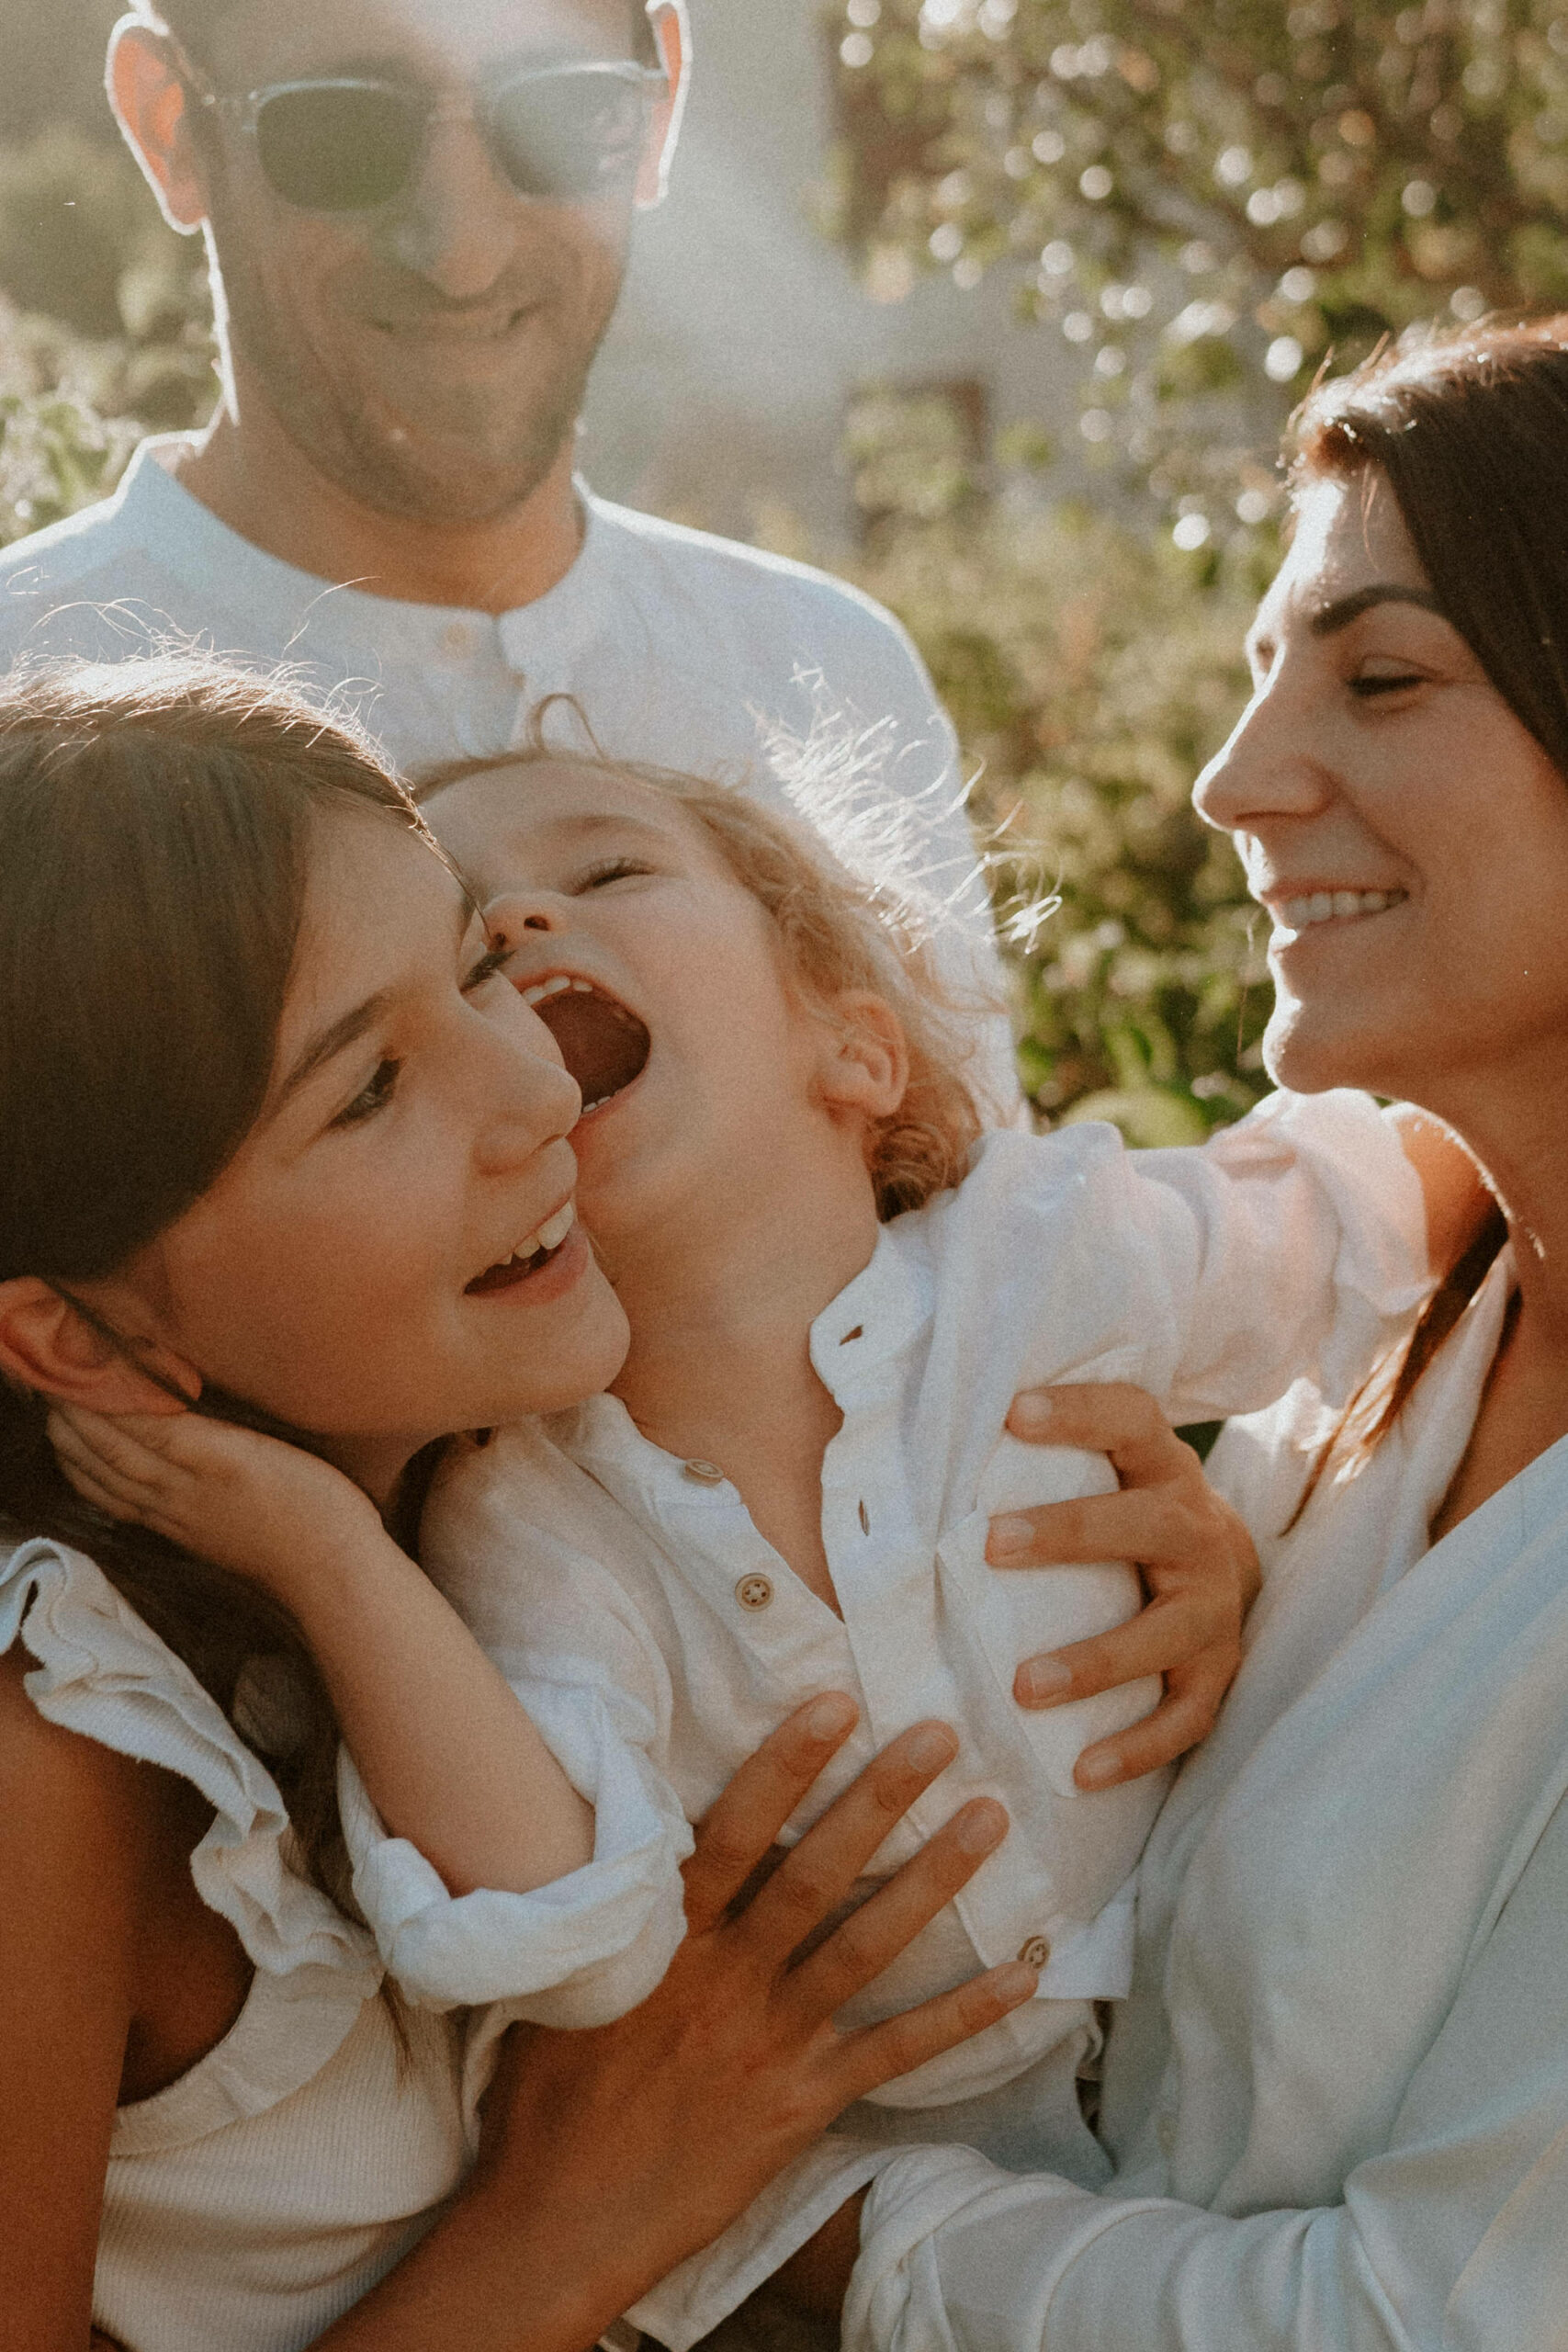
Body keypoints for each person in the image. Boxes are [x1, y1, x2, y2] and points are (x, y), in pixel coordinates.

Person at [63, 717, 1470, 2347]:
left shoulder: (1046, 1256)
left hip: (1224, 2084)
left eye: (607, 869)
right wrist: (334, 1556)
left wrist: (1249, 1549)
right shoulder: (526, 1518)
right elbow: (565, 1934)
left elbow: (1395, 1201)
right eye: (471, 953)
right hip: (829, 2247)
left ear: (853, 1047)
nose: (519, 923)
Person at [0, 656, 1043, 2352]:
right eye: (368, 1090)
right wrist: (568, 2229)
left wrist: (1141, 1532)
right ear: (77, 1334)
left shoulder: (497, 1487)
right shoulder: (47, 1758)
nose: (540, 1091)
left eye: (476, 967)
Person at [758, 316, 1568, 2347]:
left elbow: (1427, 2323)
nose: (1233, 780)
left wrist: (811, 2221)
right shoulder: (1385, 1328)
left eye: (1381, 677)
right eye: (1262, 670)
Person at [0, 0, 1013, 1102]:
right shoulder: (20, 709)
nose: (462, 254)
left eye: (560, 118)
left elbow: (978, 1194)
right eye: (343, 128)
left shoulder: (826, 669)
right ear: (170, 129)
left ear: (657, 109)